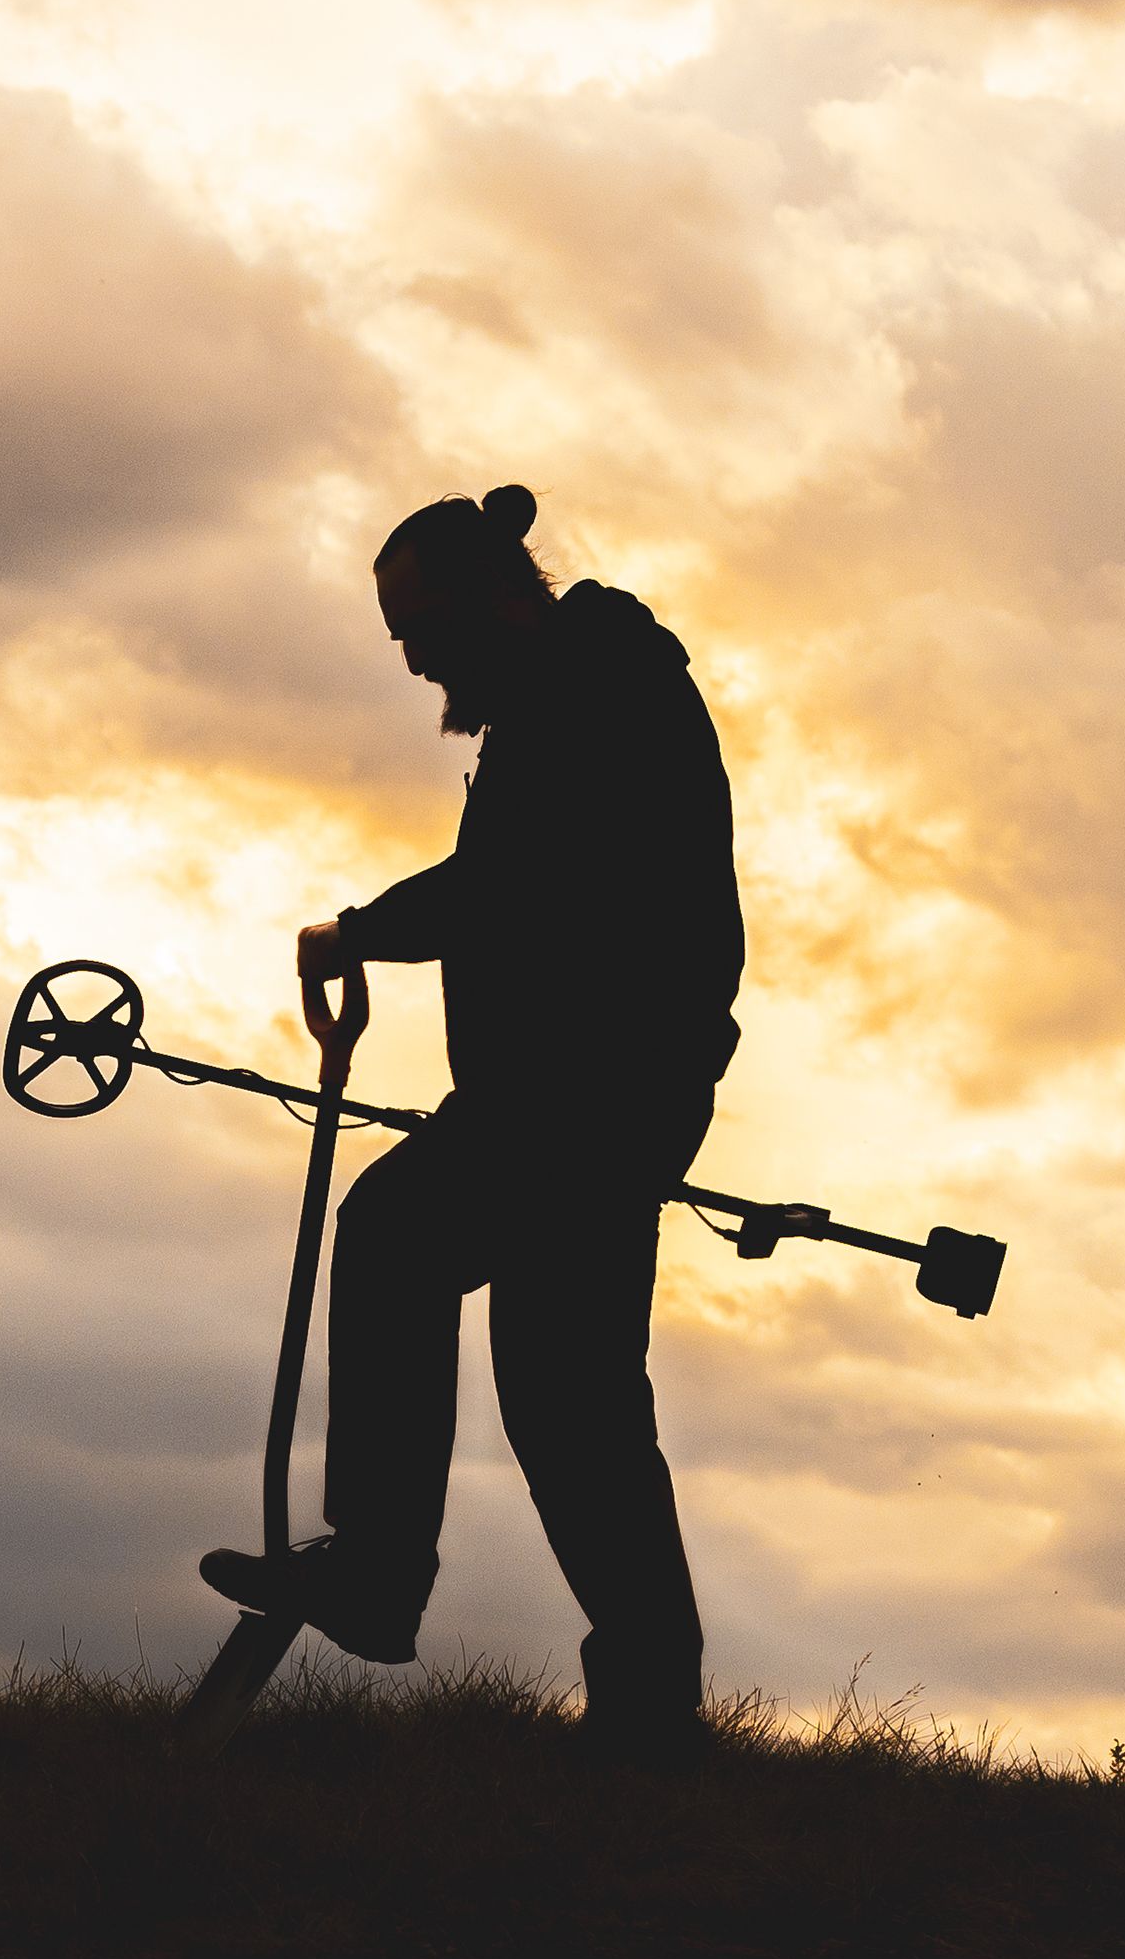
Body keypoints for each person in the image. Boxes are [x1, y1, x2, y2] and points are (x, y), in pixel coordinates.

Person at [199, 485, 742, 1754]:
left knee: (393, 1233)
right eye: (395, 633)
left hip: (583, 1093)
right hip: (601, 1093)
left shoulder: (589, 693)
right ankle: (652, 1715)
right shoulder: (578, 692)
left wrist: (359, 931)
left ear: (501, 592)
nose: (411, 656)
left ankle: (380, 1573)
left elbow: (512, 885)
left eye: (421, 623)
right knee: (573, 1404)